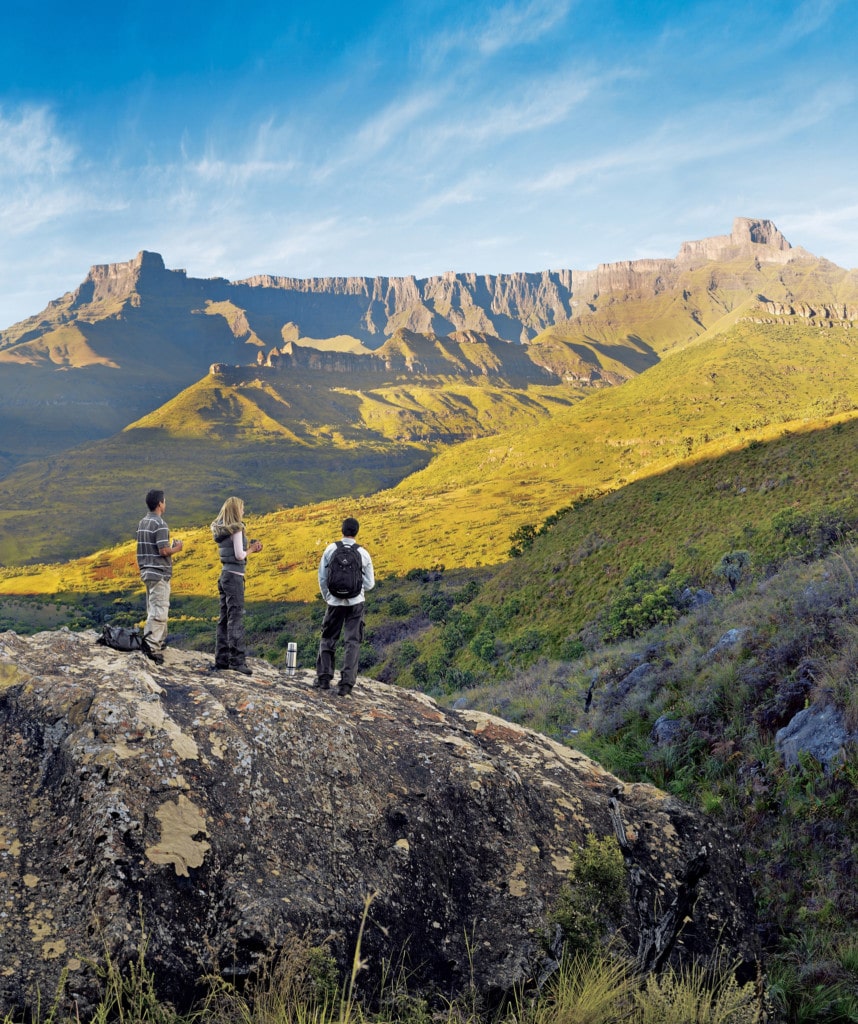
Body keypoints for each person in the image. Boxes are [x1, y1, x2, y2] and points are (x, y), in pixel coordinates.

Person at [315, 516, 374, 696]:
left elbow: (322, 577)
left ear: (342, 530)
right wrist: (356, 588)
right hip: (356, 603)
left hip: (334, 602)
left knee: (328, 638)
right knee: (352, 642)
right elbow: (370, 583)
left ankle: (324, 678)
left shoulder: (331, 549)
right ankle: (346, 684)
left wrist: (329, 596)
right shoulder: (363, 553)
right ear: (356, 532)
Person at [211, 496, 263, 675]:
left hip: (224, 574)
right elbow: (240, 555)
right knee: (236, 618)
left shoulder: (222, 530)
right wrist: (252, 550)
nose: (243, 512)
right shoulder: (237, 529)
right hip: (234, 577)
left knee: (224, 618)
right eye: (241, 509)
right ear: (236, 511)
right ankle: (237, 661)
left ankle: (221, 659)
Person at [136, 489, 183, 665]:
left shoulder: (142, 522)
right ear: (160, 504)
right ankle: (152, 648)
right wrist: (177, 548)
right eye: (165, 501)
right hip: (159, 572)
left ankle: (159, 641)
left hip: (146, 571)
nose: (165, 503)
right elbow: (163, 550)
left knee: (153, 608)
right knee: (160, 610)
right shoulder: (160, 524)